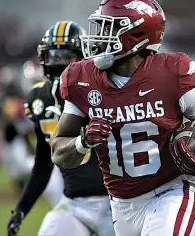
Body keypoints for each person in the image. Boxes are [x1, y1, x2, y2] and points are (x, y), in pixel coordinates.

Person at [52, 0, 195, 236]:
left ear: (135, 35)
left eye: (108, 28)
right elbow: (58, 152)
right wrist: (82, 142)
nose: (98, 38)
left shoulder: (172, 73)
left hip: (171, 191)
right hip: (122, 204)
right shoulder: (81, 80)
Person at [7, 21, 115, 236]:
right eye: (53, 56)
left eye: (66, 56)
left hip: (116, 201)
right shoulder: (39, 98)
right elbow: (43, 162)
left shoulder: (103, 91)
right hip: (74, 203)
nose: (58, 62)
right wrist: (22, 209)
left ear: (82, 57)